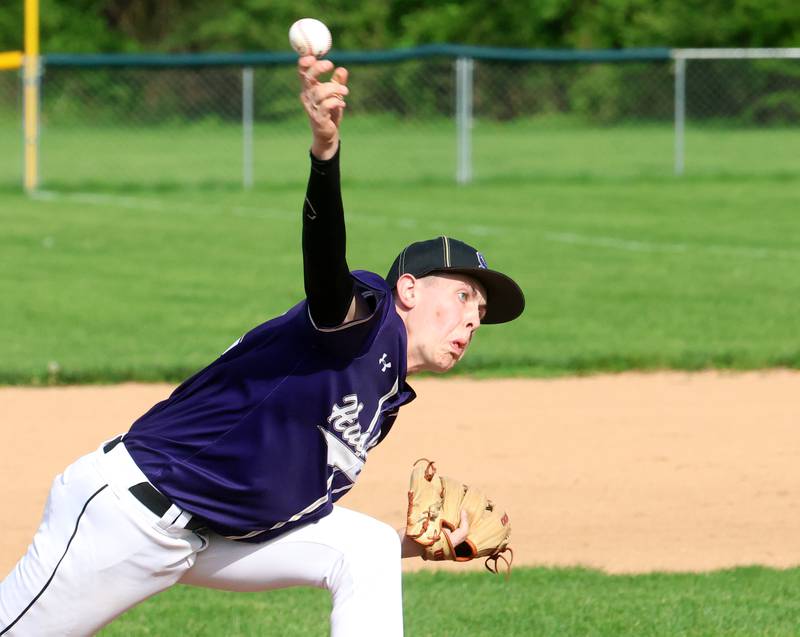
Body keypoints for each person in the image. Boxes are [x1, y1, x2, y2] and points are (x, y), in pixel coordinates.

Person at [0, 55, 524, 637]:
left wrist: (414, 544)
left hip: (212, 538)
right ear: (407, 289)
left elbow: (292, 511)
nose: (472, 319)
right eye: (462, 297)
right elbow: (325, 268)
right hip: (131, 517)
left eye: (480, 313)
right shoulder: (367, 317)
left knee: (368, 549)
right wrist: (325, 156)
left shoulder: (385, 395)